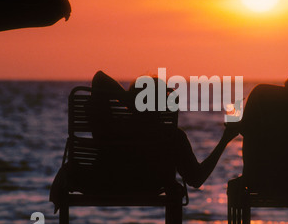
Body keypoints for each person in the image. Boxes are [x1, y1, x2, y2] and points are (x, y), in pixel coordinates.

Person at [89, 70, 239, 189]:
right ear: (163, 105)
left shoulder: (113, 126)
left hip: (109, 183)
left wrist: (128, 100)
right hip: (151, 187)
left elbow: (99, 78)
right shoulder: (172, 136)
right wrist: (225, 139)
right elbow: (196, 179)